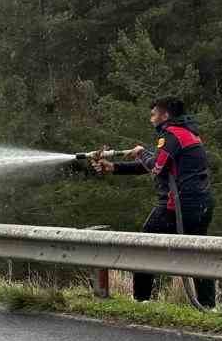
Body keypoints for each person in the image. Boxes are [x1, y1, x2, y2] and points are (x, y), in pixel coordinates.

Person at [92, 95, 215, 306]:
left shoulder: (172, 135)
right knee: (197, 254)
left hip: (177, 206)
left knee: (144, 247)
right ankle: (209, 306)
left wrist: (141, 152)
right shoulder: (188, 134)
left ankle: (141, 300)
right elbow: (163, 165)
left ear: (165, 115)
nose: (151, 118)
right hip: (201, 205)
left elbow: (157, 168)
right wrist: (115, 167)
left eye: (153, 114)